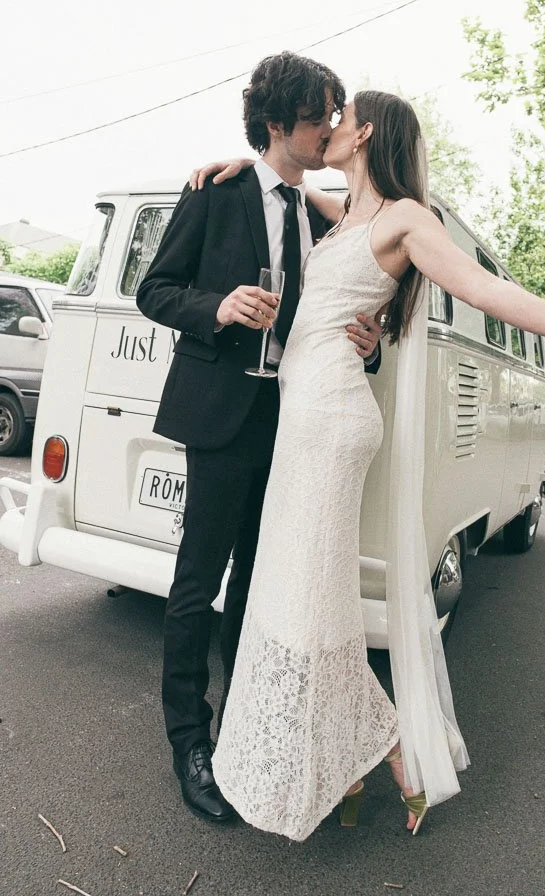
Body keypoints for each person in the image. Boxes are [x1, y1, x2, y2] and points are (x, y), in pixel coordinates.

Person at [191, 89, 545, 843]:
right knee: (304, 595)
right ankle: (361, 756)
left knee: (305, 599)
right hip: (302, 423)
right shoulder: (343, 213)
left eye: (341, 117)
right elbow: (288, 188)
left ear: (365, 133)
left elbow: (487, 291)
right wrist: (242, 167)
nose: (329, 127)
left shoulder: (407, 219)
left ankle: (381, 748)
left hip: (331, 424)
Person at [135, 53, 383, 826]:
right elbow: (154, 290)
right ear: (276, 123)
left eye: (334, 116)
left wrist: (369, 343)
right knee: (197, 583)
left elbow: (345, 314)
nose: (329, 129)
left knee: (256, 583)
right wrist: (216, 306)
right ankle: (190, 742)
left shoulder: (326, 217)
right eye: (317, 117)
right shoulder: (215, 192)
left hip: (295, 422)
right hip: (220, 414)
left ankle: (245, 733)